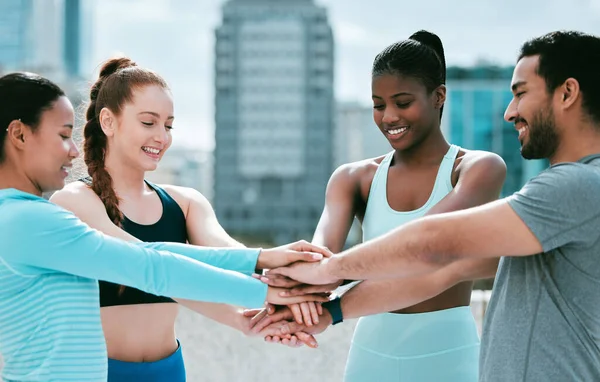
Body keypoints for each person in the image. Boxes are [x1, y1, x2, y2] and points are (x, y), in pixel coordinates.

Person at [267, 31, 600, 382]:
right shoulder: (558, 199)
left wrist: (328, 271)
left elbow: (432, 244)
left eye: (520, 93)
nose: (509, 112)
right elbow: (443, 272)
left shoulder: (576, 186)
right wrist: (328, 311)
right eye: (379, 105)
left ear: (567, 93)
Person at [0, 72, 329, 381]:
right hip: (107, 368)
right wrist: (273, 287)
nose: (162, 136)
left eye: (169, 125)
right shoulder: (57, 209)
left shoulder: (181, 201)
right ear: (107, 122)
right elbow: (150, 265)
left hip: (167, 366)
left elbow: (186, 258)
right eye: (148, 122)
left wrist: (261, 285)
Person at [252, 30, 505, 381]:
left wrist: (320, 275)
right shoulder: (353, 178)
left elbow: (421, 242)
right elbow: (322, 262)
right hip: (370, 356)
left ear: (438, 96)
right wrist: (290, 285)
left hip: (449, 355)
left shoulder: (478, 169)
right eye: (378, 104)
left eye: (403, 102)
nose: (388, 117)